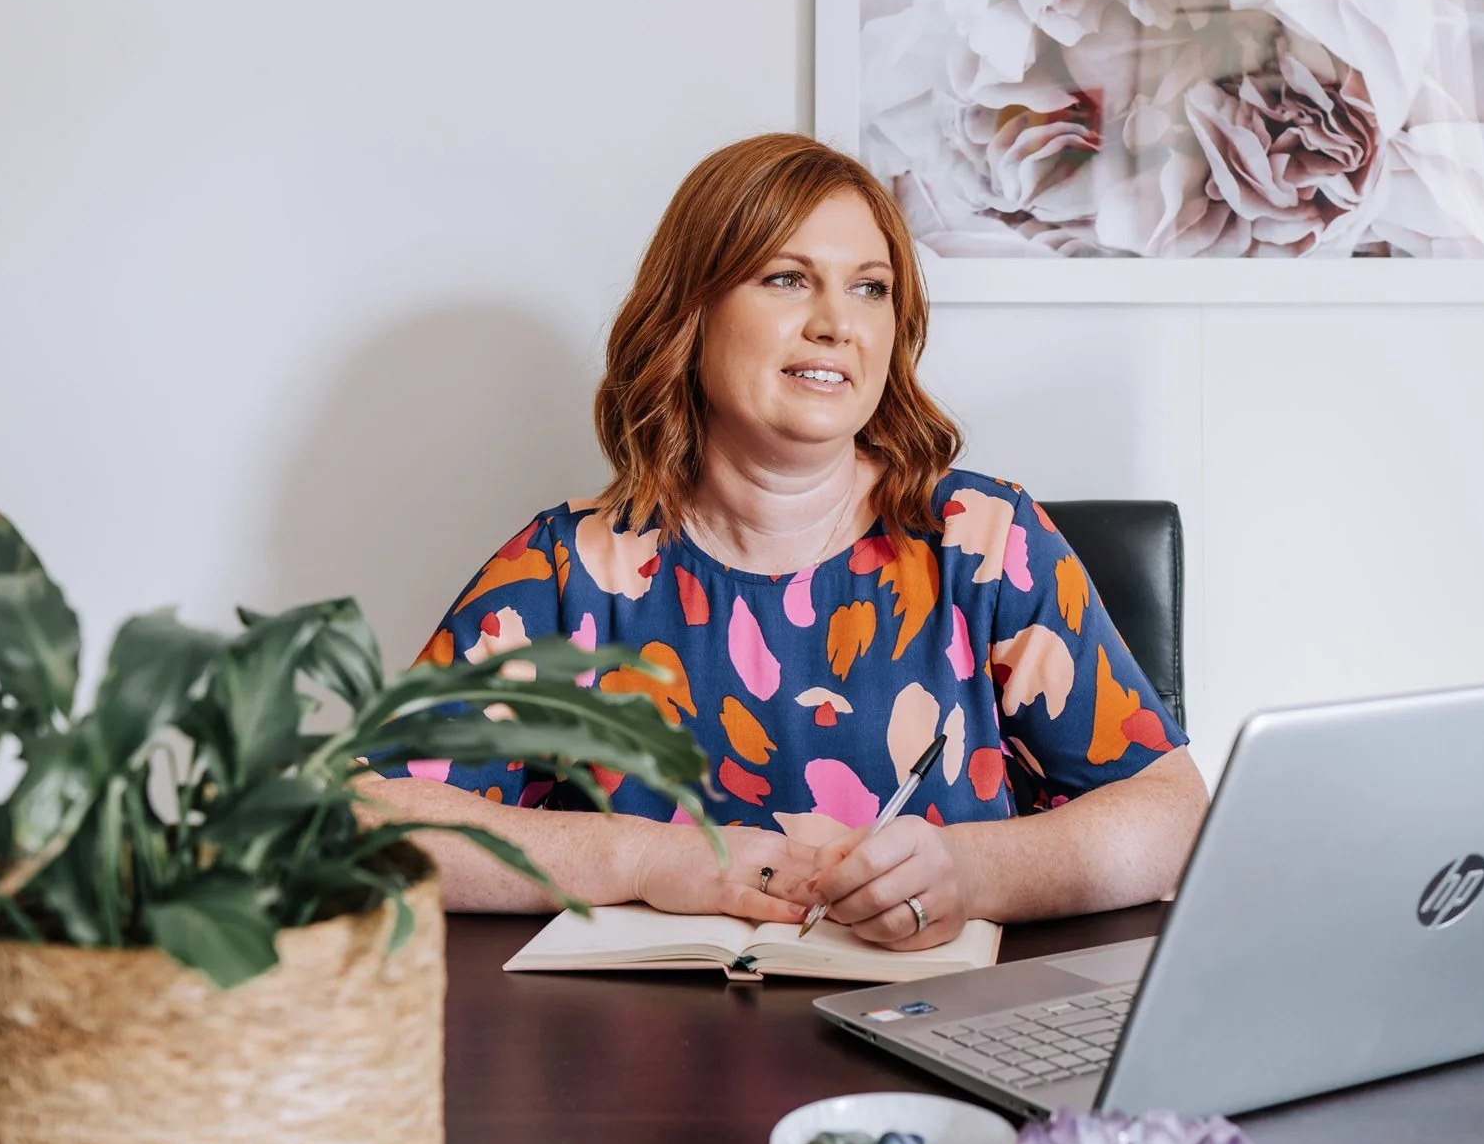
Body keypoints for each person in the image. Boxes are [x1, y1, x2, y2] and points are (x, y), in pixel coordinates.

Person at [366, 133, 1208, 949]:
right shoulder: (568, 568)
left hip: (934, 1041)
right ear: (690, 313)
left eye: (871, 288)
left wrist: (972, 870)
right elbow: (364, 814)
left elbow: (1171, 812)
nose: (838, 323)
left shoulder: (983, 541)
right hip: (638, 1056)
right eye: (786, 278)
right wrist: (646, 857)